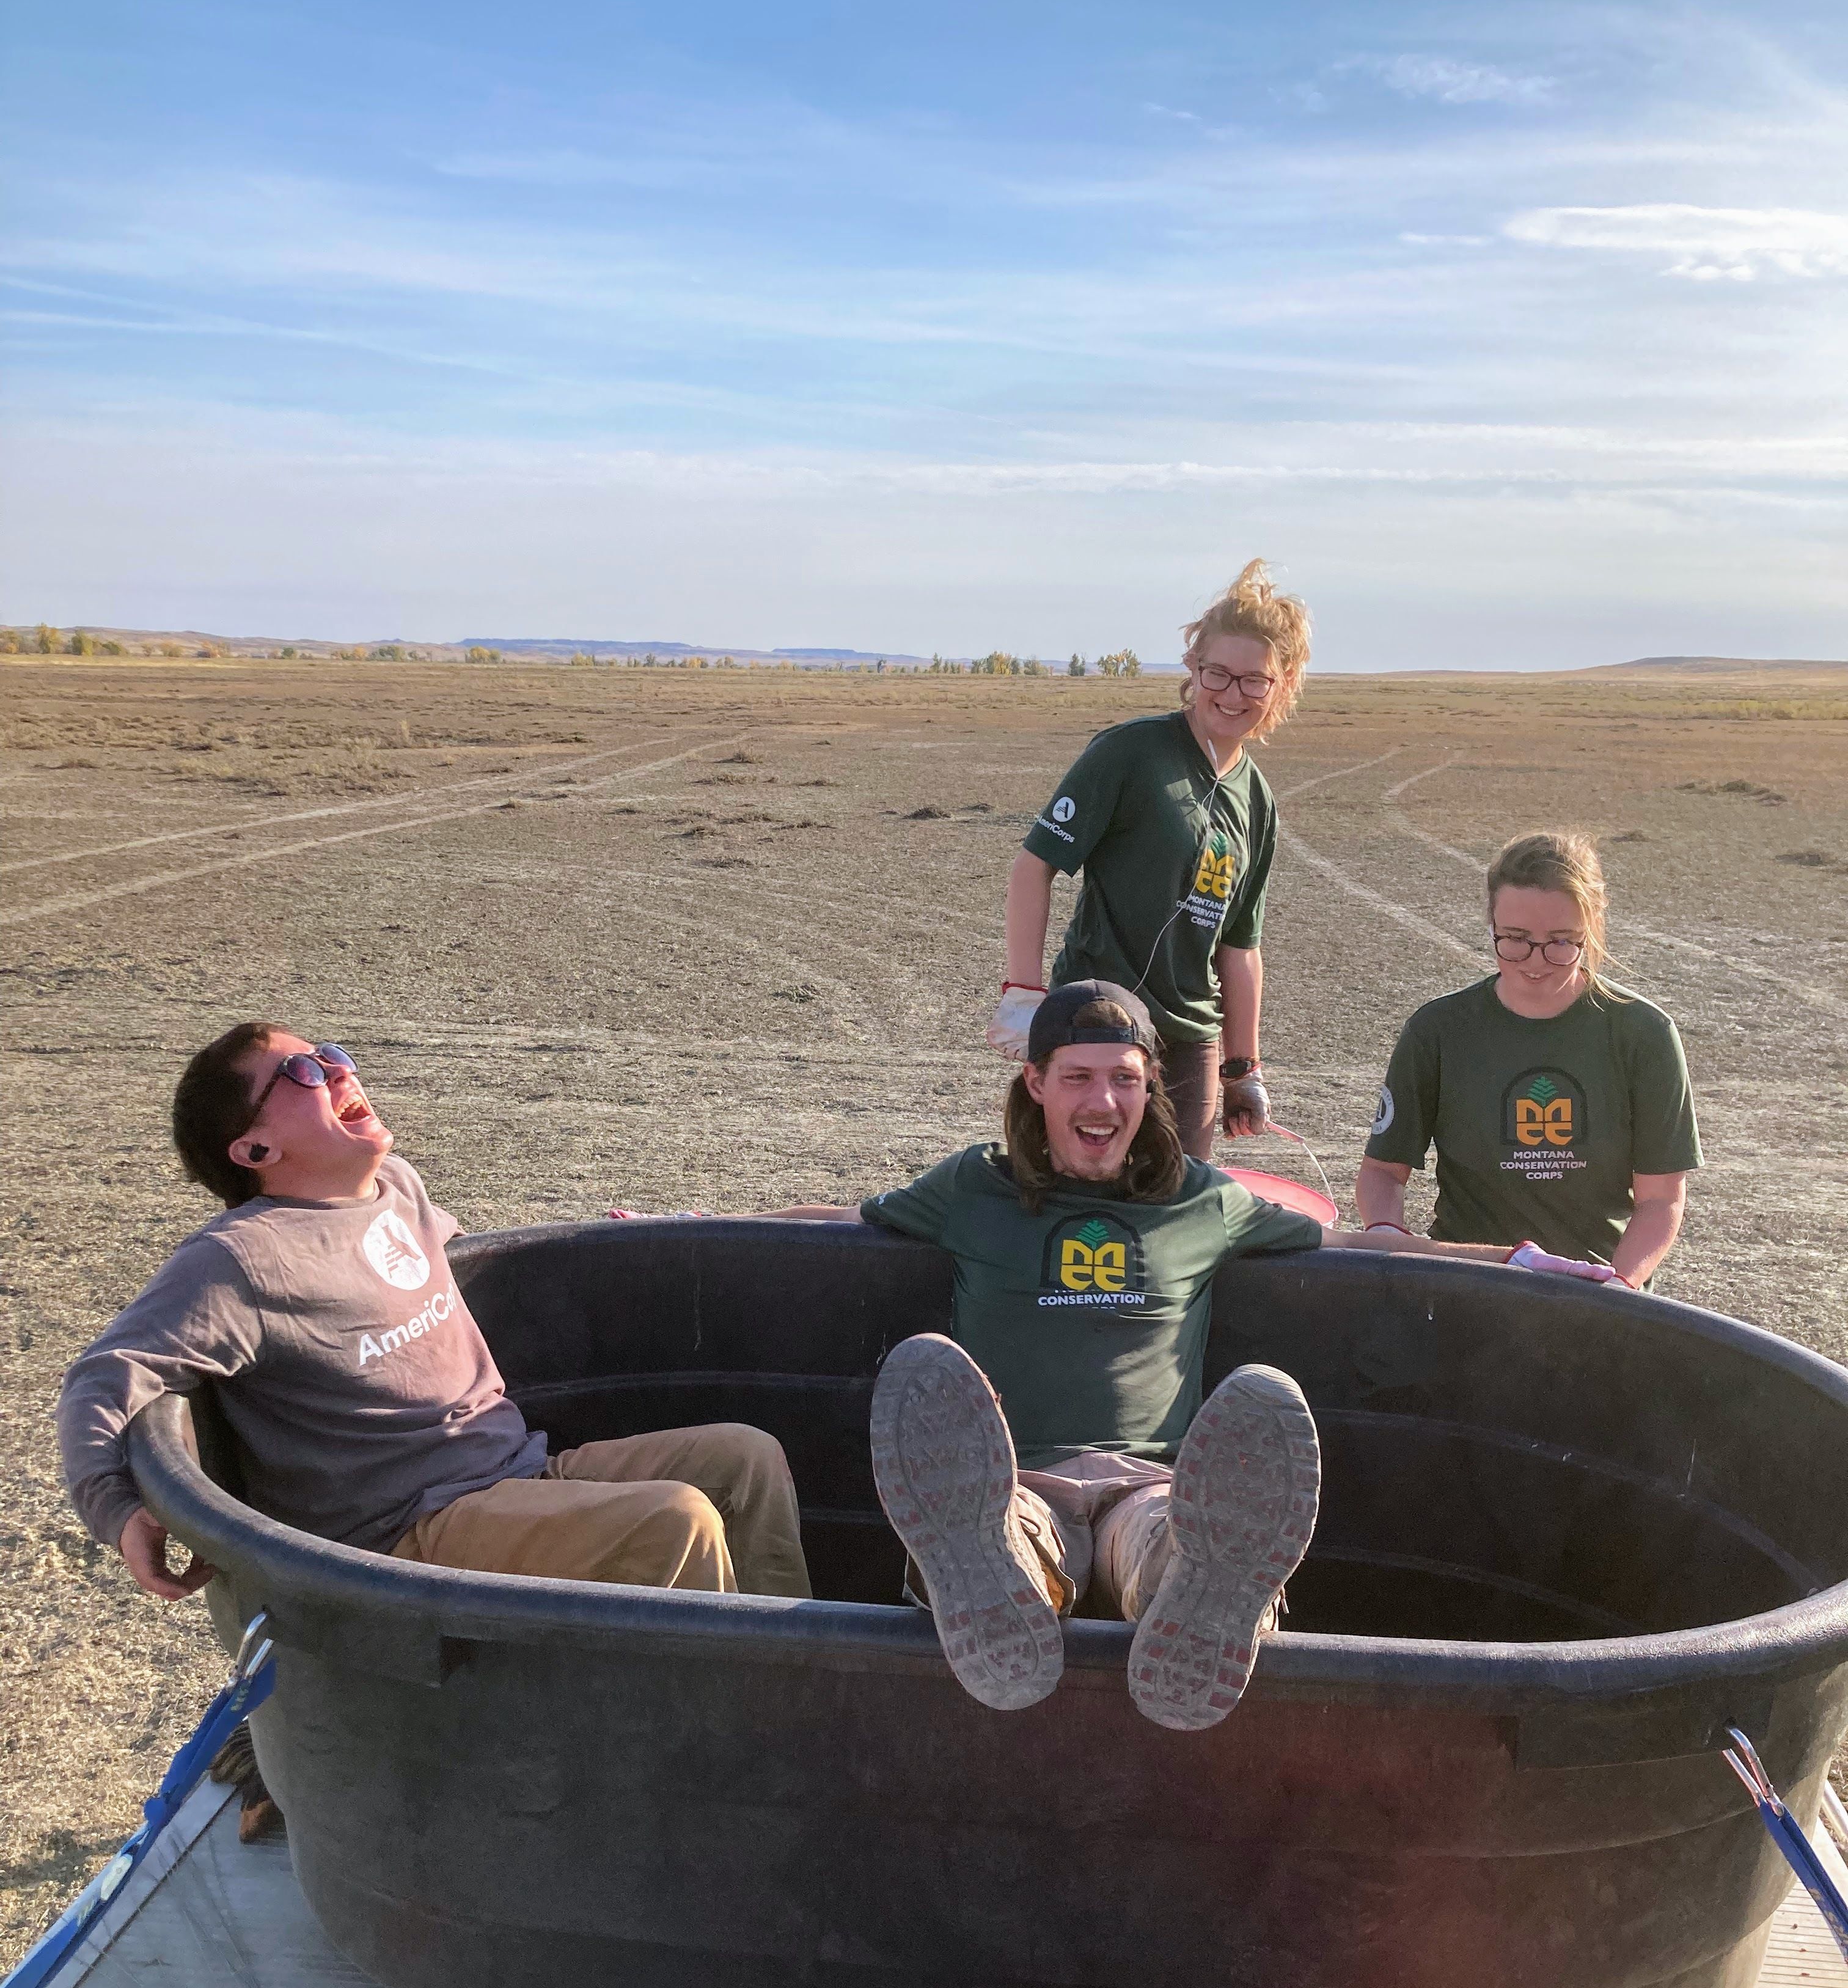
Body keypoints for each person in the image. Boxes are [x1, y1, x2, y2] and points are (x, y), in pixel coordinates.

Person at [769, 982, 1577, 1731]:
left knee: (1173, 1540)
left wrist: (1519, 1259)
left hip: (1146, 1483)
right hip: (1015, 1481)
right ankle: (991, 1584)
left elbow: (1365, 1245)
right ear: (1036, 1085)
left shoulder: (1201, 1198)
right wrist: (675, 1220)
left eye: (1123, 1079)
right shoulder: (975, 1186)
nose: (1102, 1101)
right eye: (1078, 1078)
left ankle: (1204, 1599)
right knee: (1006, 1536)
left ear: (1150, 1083)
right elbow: (840, 1221)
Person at [57, 1023, 810, 1625]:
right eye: (305, 1076)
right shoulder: (243, 1260)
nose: (339, 1071)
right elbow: (102, 1377)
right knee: (674, 1521)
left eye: (330, 1056)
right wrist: (118, 1513)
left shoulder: (394, 1186)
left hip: (515, 1469)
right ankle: (728, 1738)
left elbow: (431, 1272)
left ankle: (797, 1679)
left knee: (745, 1459)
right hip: (410, 1532)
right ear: (256, 1149)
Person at [988, 559, 1310, 1161]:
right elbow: (1035, 867)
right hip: (1097, 1017)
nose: (1232, 694)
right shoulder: (1131, 754)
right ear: (1192, 666)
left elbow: (1240, 949)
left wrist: (1243, 1070)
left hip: (1191, 1039)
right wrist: (1024, 994)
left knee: (1176, 1206)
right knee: (1069, 1185)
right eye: (1218, 673)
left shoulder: (1258, 801)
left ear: (1282, 684)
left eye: (1253, 680)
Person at [1357, 833, 1701, 1286]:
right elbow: (1383, 1171)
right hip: (1469, 1283)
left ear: (1594, 926)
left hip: (1598, 1291)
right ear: (1491, 923)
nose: (1536, 962)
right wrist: (1387, 1240)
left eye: (1562, 941)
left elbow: (1660, 1200)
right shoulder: (1438, 1030)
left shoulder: (1645, 1034)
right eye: (1515, 940)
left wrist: (1618, 1289)